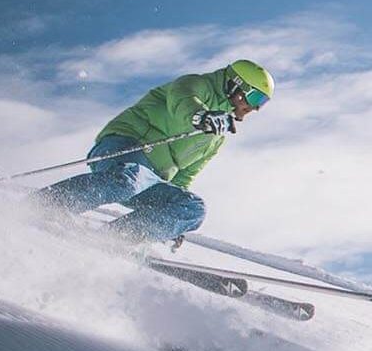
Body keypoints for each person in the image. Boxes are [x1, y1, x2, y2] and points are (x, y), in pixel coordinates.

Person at [35, 59, 275, 244]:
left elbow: (185, 176)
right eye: (255, 97)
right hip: (124, 148)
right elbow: (183, 101)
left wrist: (173, 223)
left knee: (193, 208)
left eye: (262, 104)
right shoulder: (196, 84)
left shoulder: (217, 136)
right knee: (128, 180)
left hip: (150, 180)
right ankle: (47, 205)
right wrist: (201, 116)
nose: (254, 108)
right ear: (237, 85)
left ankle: (113, 240)